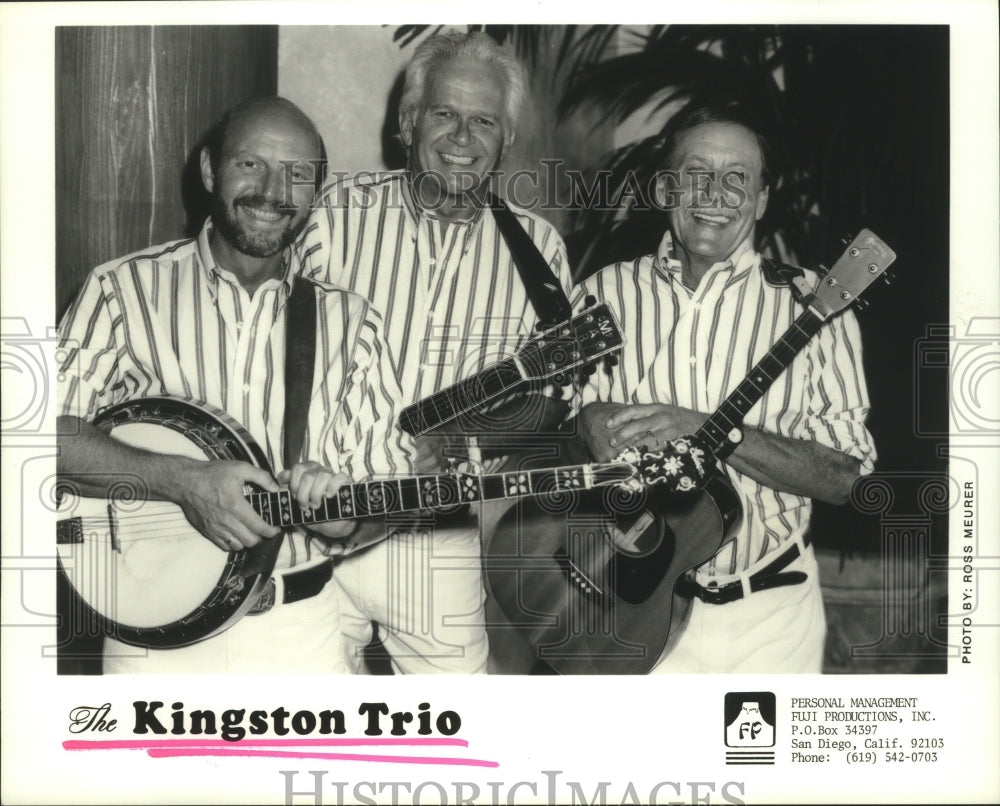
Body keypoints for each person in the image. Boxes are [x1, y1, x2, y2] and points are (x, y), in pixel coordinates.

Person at [56, 96, 414, 673]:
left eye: (298, 173)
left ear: (316, 192)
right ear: (208, 171)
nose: (274, 190)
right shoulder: (120, 292)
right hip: (151, 635)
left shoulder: (354, 322)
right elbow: (34, 438)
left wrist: (349, 520)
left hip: (301, 638)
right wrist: (181, 481)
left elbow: (391, 486)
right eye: (251, 164)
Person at [298, 31, 573, 674]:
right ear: (407, 121)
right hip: (313, 522)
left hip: (436, 534)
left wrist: (463, 439)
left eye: (484, 121)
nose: (462, 138)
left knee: (460, 738)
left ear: (506, 139)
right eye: (444, 113)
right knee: (301, 726)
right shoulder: (332, 213)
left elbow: (558, 403)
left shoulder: (540, 253)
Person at [572, 101, 877, 673]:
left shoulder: (814, 306)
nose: (714, 193)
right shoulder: (602, 294)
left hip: (772, 618)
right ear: (667, 189)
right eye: (696, 174)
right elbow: (552, 421)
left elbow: (847, 478)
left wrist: (711, 431)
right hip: (632, 604)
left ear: (761, 198)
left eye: (737, 178)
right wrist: (584, 422)